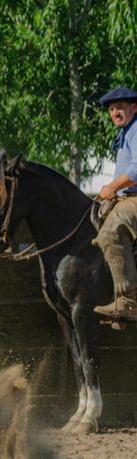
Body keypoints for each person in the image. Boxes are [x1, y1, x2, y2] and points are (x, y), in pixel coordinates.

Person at [92, 86, 137, 321]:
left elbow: (136, 171)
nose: (115, 113)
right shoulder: (125, 134)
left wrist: (112, 188)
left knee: (110, 233)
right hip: (127, 197)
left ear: (134, 108)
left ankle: (128, 302)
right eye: (111, 109)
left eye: (120, 107)